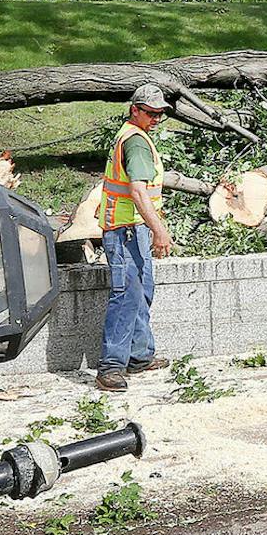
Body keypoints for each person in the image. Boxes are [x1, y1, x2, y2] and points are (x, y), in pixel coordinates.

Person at [96, 84, 177, 391]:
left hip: (132, 228)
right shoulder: (136, 143)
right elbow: (138, 192)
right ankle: (111, 367)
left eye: (160, 114)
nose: (156, 119)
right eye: (151, 113)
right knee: (127, 295)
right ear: (135, 110)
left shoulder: (134, 137)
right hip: (125, 230)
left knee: (141, 291)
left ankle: (139, 355)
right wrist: (160, 231)